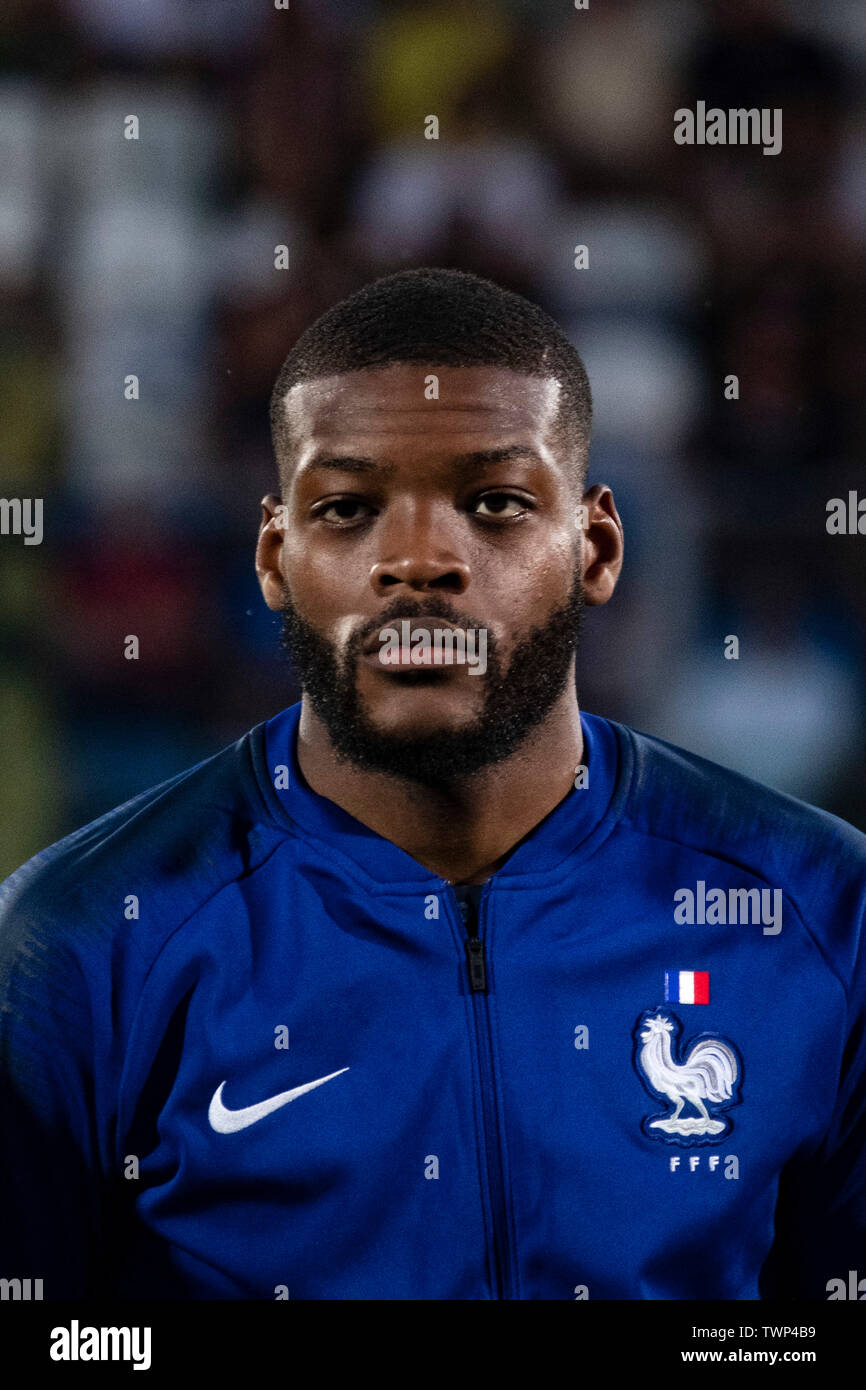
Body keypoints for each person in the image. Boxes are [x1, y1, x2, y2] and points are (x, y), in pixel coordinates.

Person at [1, 268, 863, 1300]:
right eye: (350, 507)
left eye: (493, 503)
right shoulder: (80, 941)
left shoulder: (817, 906)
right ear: (275, 555)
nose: (417, 559)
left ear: (594, 544)